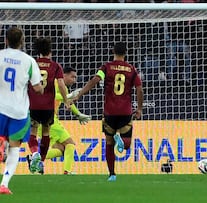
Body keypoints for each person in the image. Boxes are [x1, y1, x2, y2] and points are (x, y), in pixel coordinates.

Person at [73, 42, 143, 181]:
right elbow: (139, 89)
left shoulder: (106, 67)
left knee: (109, 143)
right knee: (127, 145)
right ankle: (121, 140)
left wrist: (80, 94)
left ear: (113, 51)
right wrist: (139, 108)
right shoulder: (131, 69)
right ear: (126, 53)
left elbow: (95, 80)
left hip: (109, 111)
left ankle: (112, 174)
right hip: (125, 111)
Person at [0, 27, 43, 194]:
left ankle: (1, 140)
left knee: (4, 139)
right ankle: (4, 184)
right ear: (22, 42)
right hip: (18, 111)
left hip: (0, 107)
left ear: (6, 40)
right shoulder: (29, 61)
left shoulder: (0, 56)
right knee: (15, 147)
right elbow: (37, 88)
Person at [27, 67, 91, 175]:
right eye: (72, 77)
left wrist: (78, 114)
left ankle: (34, 157)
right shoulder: (55, 83)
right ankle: (67, 171)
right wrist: (67, 96)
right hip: (48, 120)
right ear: (64, 75)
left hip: (48, 120)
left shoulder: (64, 89)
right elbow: (51, 96)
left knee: (62, 149)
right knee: (70, 144)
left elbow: (68, 102)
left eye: (75, 77)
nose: (74, 80)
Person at [27, 37, 70, 174]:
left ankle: (34, 154)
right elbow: (62, 85)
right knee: (46, 132)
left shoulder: (31, 64)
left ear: (37, 51)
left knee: (33, 131)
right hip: (48, 107)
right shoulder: (55, 66)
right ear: (50, 51)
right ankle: (40, 162)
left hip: (33, 104)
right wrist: (66, 100)